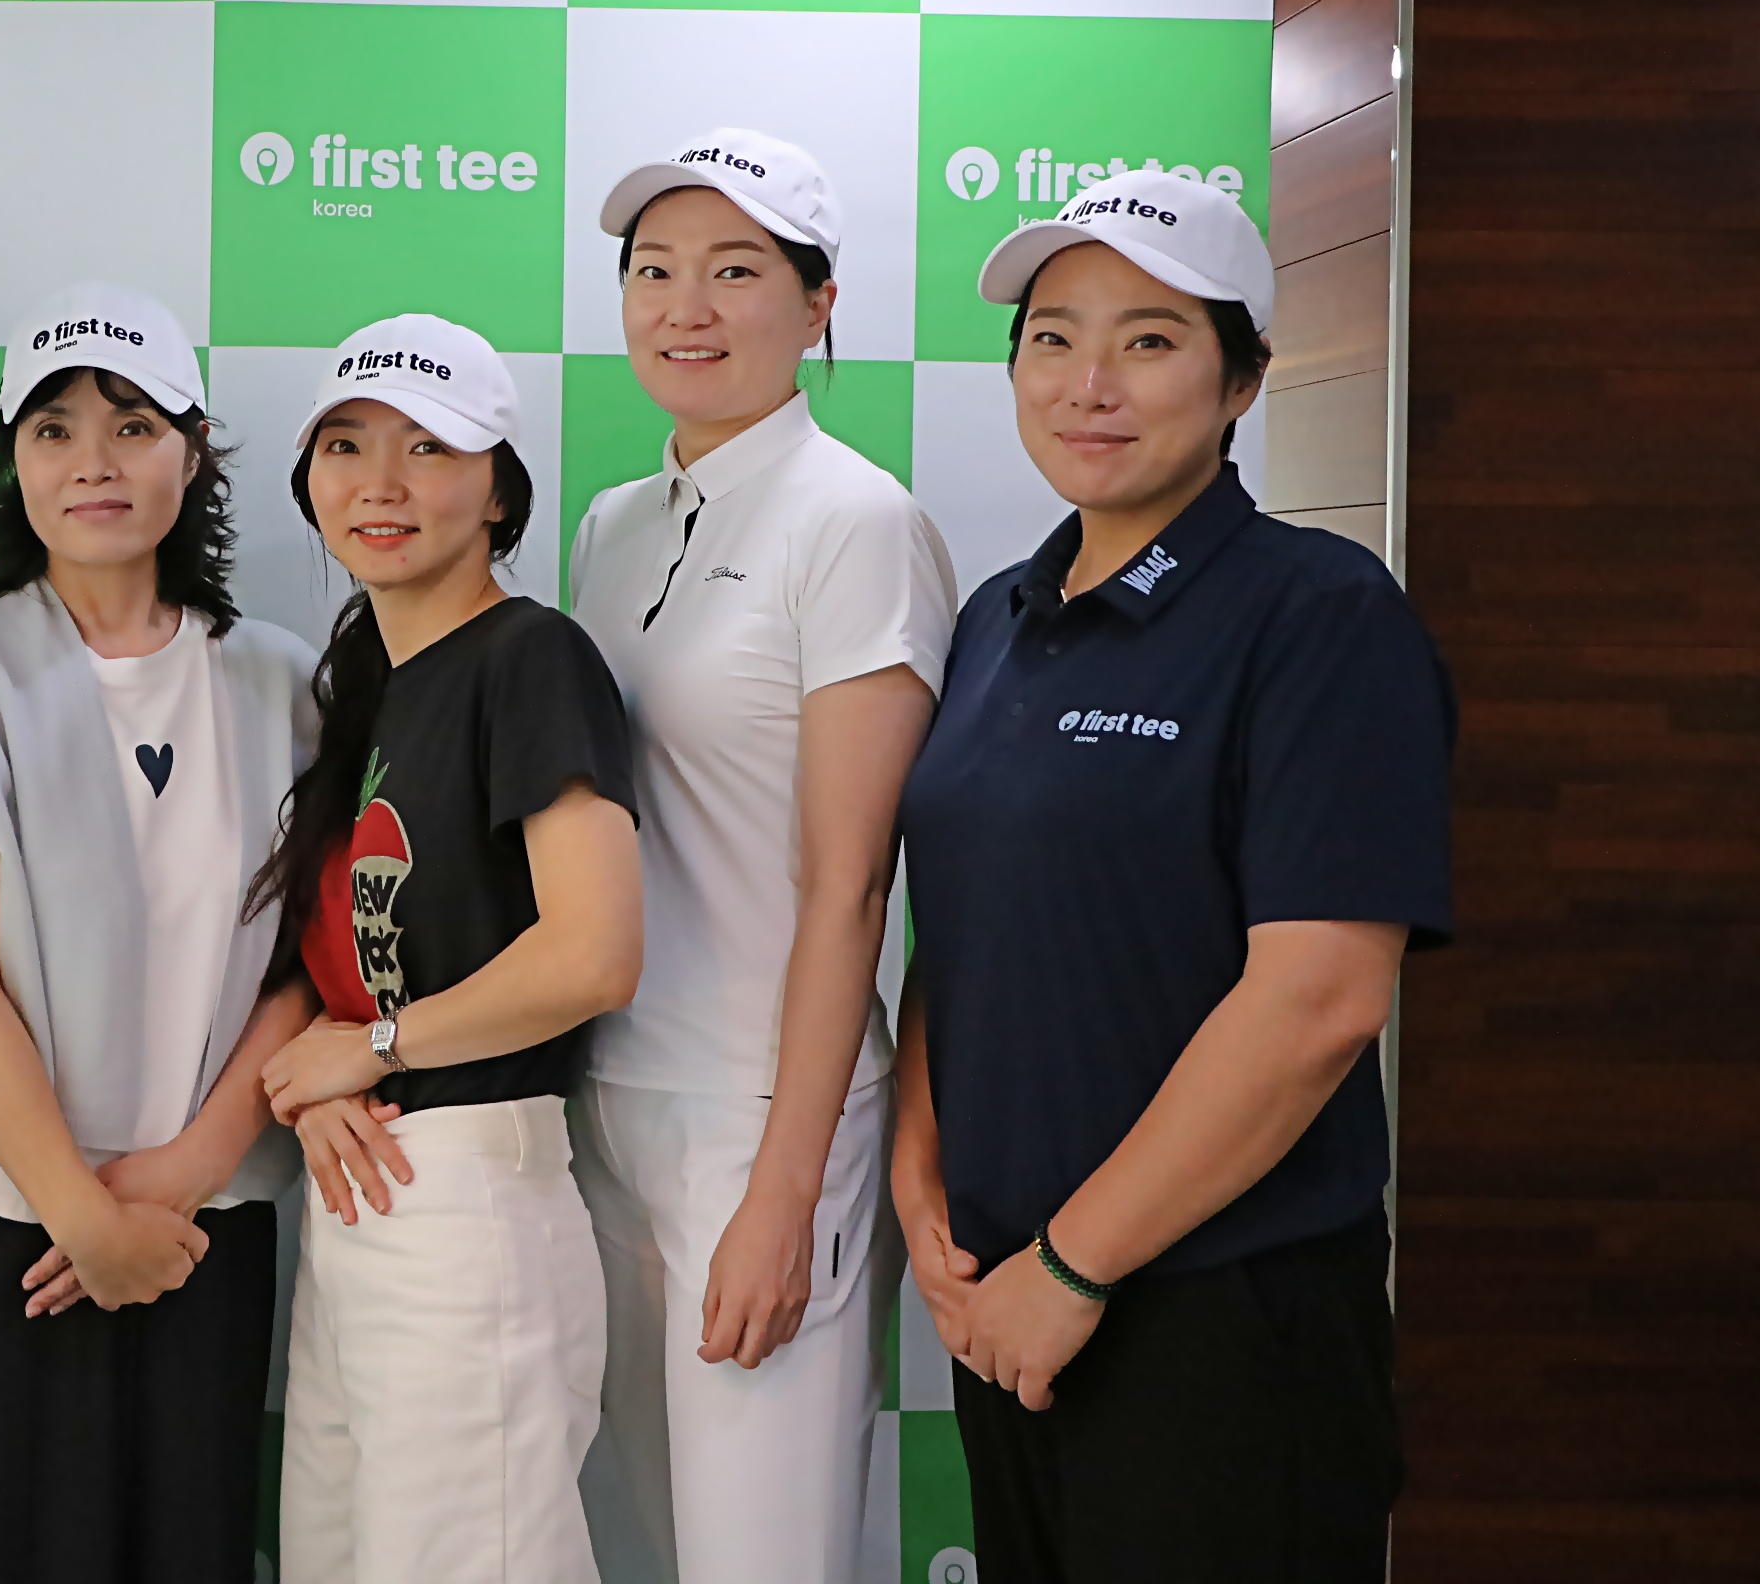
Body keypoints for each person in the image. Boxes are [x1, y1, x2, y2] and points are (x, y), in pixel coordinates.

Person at [894, 170, 1454, 1583]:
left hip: (1218, 1310)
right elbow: (963, 926)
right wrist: (920, 1169)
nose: (1089, 383)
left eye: (1148, 340)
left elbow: (1320, 999)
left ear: (1241, 380)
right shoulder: (997, 617)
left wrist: (1075, 1265)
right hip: (1009, 1297)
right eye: (1053, 338)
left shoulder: (1320, 614)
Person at [0, 283, 321, 1584]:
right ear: (12, 463)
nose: (94, 461)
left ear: (194, 448)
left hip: (203, 1224)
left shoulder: (287, 679)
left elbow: (313, 964)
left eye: (132, 425)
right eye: (54, 429)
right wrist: (82, 1213)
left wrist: (178, 1176)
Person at [565, 131, 956, 1581]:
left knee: (759, 1558)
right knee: (637, 1544)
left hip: (761, 1113)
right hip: (604, 1099)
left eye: (736, 271)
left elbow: (850, 885)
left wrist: (786, 1192)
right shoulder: (613, 524)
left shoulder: (855, 521)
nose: (687, 307)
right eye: (655, 271)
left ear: (819, 303)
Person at [252, 314, 646, 1584]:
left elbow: (593, 953)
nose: (381, 481)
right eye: (347, 445)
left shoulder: (532, 658)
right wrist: (330, 1075)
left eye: (429, 448)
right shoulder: (369, 681)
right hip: (365, 1194)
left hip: (472, 1202)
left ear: (500, 492)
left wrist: (370, 1047)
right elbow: (354, 959)